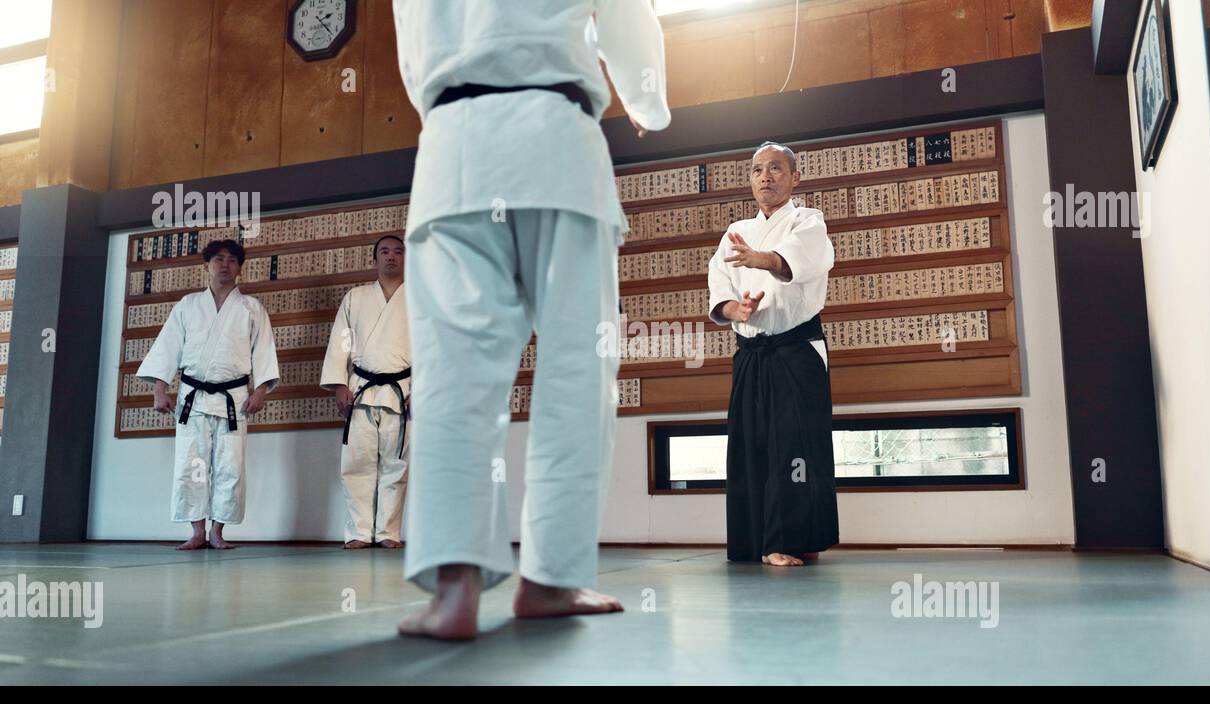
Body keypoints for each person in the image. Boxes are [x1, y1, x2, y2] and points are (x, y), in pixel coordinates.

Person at [391, 0, 671, 639]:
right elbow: (627, 17)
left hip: (453, 146)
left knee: (453, 377)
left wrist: (454, 97)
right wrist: (647, 102)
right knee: (578, 364)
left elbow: (414, 47)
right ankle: (550, 579)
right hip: (556, 136)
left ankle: (454, 591)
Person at [707, 142, 840, 567]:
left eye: (776, 169)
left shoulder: (807, 221)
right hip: (751, 351)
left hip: (795, 349)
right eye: (757, 170)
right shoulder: (735, 231)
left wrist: (758, 258)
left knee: (795, 447)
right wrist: (736, 310)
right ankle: (754, 542)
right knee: (750, 446)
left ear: (794, 177)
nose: (765, 176)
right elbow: (719, 297)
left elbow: (791, 264)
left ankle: (793, 538)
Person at [137, 239, 280, 550]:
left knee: (231, 466)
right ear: (207, 266)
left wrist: (261, 391)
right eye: (218, 259)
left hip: (235, 399)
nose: (224, 264)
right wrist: (160, 389)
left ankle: (218, 531)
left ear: (240, 268)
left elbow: (264, 352)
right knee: (192, 465)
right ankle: (197, 532)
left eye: (231, 259)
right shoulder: (188, 305)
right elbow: (168, 348)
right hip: (194, 398)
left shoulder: (251, 309)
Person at [321, 235, 411, 550]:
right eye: (385, 252)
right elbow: (341, 343)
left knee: (396, 465)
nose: (392, 257)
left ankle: (388, 532)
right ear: (374, 260)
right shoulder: (356, 298)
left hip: (402, 390)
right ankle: (359, 531)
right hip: (360, 390)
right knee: (356, 464)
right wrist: (339, 384)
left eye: (398, 252)